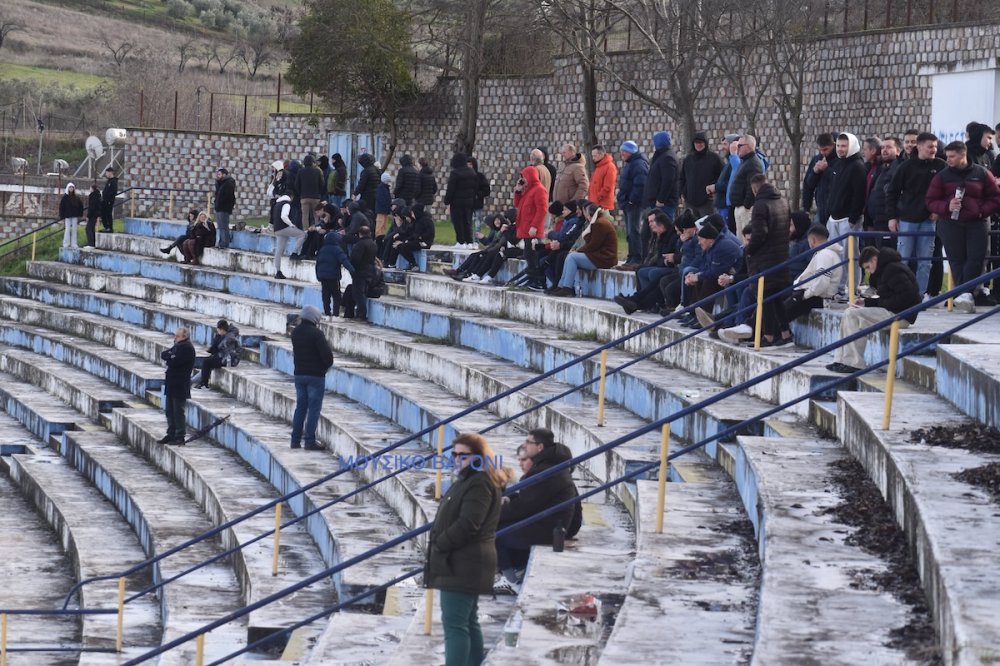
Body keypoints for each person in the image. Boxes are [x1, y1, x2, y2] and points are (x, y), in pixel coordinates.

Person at [425, 432, 511, 666]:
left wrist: (441, 543)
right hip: (463, 562)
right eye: (454, 454)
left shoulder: (480, 483)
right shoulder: (469, 480)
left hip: (464, 563)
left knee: (455, 625)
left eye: (463, 455)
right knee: (468, 621)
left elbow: (469, 523)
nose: (457, 459)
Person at [494, 428, 581, 594]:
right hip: (551, 523)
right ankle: (517, 569)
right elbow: (529, 498)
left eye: (528, 442)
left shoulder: (546, 470)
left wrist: (493, 513)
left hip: (552, 528)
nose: (525, 445)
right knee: (502, 522)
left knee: (495, 531)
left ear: (540, 447)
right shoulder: (548, 464)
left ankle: (511, 581)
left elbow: (524, 506)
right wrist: (508, 500)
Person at [925, 140, 1000, 313]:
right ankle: (966, 294)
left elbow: (995, 198)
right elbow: (930, 201)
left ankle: (964, 293)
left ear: (963, 155)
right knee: (956, 260)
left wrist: (981, 212)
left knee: (977, 258)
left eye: (952, 156)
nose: (948, 159)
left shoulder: (982, 173)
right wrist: (946, 206)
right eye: (947, 156)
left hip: (977, 223)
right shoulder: (942, 176)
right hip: (950, 223)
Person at [826, 246, 920, 373]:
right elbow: (891, 298)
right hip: (894, 312)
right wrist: (866, 302)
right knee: (852, 315)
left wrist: (878, 303)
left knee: (852, 315)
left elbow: (907, 296)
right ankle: (842, 360)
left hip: (901, 316)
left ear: (875, 259)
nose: (869, 271)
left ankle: (853, 363)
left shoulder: (893, 270)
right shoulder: (887, 269)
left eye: (868, 267)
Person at [885, 132, 945, 297]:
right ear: (919, 147)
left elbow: (949, 191)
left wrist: (939, 210)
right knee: (903, 260)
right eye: (930, 146)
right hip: (907, 220)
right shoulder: (905, 167)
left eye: (935, 146)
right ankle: (902, 293)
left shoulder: (941, 166)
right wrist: (891, 217)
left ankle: (920, 294)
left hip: (929, 220)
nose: (933, 149)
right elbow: (892, 192)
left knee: (925, 262)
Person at [743, 174, 792, 346]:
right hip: (781, 257)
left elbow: (759, 233)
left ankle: (769, 336)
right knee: (775, 298)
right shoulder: (783, 201)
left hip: (765, 260)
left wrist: (749, 250)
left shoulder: (760, 205)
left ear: (755, 189)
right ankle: (786, 334)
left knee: (765, 298)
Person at [548, 204, 618, 297]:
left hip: (605, 258)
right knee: (570, 256)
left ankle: (567, 288)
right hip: (599, 256)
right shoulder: (597, 222)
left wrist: (578, 251)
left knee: (572, 257)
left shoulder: (600, 224)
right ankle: (561, 286)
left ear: (589, 214)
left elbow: (593, 245)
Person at [290, 305, 333, 450]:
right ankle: (309, 441)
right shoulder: (317, 334)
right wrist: (323, 368)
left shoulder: (295, 332)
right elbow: (328, 357)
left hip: (299, 375)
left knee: (300, 407)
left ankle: (295, 441)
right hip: (315, 376)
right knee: (313, 409)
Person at [782, 224, 843, 321]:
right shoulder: (827, 253)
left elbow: (822, 282)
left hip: (817, 298)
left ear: (813, 240)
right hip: (815, 296)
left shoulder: (824, 255)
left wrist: (804, 295)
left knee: (779, 314)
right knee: (777, 307)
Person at [158, 327, 196, 445]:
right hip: (171, 383)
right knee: (169, 410)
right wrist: (171, 356)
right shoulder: (177, 347)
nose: (175, 338)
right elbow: (164, 354)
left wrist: (171, 357)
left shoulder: (187, 348)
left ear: (184, 337)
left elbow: (174, 361)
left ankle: (180, 436)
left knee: (178, 411)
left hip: (180, 384)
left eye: (177, 336)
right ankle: (171, 433)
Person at [513, 165, 547, 288]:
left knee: (532, 254)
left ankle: (537, 280)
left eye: (525, 177)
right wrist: (518, 191)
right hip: (525, 227)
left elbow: (542, 209)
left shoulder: (539, 190)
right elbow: (517, 204)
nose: (524, 180)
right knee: (528, 254)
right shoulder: (527, 190)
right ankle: (533, 279)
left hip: (532, 229)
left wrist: (535, 226)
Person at [616, 140, 649, 266]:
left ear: (631, 151)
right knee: (630, 232)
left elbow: (640, 185)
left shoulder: (638, 164)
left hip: (634, 204)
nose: (622, 153)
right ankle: (631, 256)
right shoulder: (631, 163)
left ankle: (636, 258)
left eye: (624, 151)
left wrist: (631, 200)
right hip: (628, 203)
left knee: (633, 231)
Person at [728, 134, 764, 238]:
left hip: (745, 209)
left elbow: (752, 186)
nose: (737, 148)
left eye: (740, 145)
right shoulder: (745, 161)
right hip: (739, 206)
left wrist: (746, 206)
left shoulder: (753, 163)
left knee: (745, 238)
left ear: (748, 146)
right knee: (740, 238)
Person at [680, 131, 723, 218]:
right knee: (690, 227)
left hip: (707, 201)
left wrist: (715, 189)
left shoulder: (714, 158)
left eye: (701, 142)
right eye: (696, 143)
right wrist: (683, 192)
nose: (698, 145)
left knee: (707, 227)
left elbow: (722, 177)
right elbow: (682, 178)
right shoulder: (688, 159)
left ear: (705, 143)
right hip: (690, 201)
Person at [315, 225, 354, 317]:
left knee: (325, 295)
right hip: (333, 277)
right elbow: (344, 261)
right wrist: (352, 271)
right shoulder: (337, 250)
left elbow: (318, 264)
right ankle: (335, 313)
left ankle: (327, 312)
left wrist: (318, 276)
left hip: (323, 277)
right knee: (336, 296)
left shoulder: (322, 249)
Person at [192, 319, 241, 389]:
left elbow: (220, 347)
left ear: (222, 329)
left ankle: (204, 382)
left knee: (207, 362)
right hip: (225, 357)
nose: (217, 332)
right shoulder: (225, 335)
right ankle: (200, 381)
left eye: (218, 330)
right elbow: (217, 348)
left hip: (229, 360)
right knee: (207, 361)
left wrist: (217, 339)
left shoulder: (229, 337)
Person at [444, 153, 478, 248]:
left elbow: (451, 189)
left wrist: (447, 201)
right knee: (467, 221)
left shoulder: (455, 173)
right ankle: (469, 242)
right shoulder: (472, 172)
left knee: (458, 222)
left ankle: (461, 241)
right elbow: (475, 188)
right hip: (469, 202)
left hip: (457, 202)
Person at [270, 193, 304, 279]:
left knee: (279, 251)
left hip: (277, 229)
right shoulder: (286, 204)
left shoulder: (277, 204)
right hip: (284, 228)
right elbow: (284, 216)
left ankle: (278, 271)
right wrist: (291, 225)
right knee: (302, 234)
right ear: (291, 197)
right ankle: (294, 253)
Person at [348, 226, 378, 322]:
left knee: (359, 294)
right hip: (370, 272)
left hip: (360, 273)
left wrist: (352, 269)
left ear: (360, 234)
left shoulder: (359, 244)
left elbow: (355, 259)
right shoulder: (373, 244)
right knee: (363, 293)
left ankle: (361, 315)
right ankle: (361, 314)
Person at [297, 154, 326, 229]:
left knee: (305, 216)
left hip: (304, 197)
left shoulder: (300, 171)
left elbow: (296, 184)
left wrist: (300, 193)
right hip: (315, 197)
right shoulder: (317, 171)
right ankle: (317, 229)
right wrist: (319, 193)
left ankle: (306, 231)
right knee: (316, 214)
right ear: (312, 162)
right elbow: (322, 184)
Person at [588, 144, 618, 211]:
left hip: (603, 205)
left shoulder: (609, 167)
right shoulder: (599, 167)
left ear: (601, 154)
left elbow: (607, 187)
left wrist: (597, 197)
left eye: (594, 156)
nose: (593, 158)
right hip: (595, 203)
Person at [213, 167, 236, 249]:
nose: (218, 176)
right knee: (220, 226)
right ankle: (221, 242)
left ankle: (224, 244)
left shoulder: (228, 183)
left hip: (224, 208)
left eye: (219, 174)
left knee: (223, 227)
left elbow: (228, 197)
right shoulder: (221, 183)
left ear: (224, 174)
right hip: (219, 207)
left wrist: (220, 202)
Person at [59, 183, 84, 249]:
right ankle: (66, 243)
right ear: (68, 188)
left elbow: (80, 206)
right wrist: (62, 215)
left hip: (74, 215)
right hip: (67, 215)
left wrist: (80, 214)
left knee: (74, 229)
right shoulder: (65, 197)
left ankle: (74, 243)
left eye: (72, 188)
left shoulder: (76, 197)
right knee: (67, 229)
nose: (71, 189)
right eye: (70, 188)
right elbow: (62, 207)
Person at [100, 167, 117, 232]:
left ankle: (109, 227)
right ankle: (106, 226)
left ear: (110, 172)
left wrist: (109, 199)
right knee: (103, 213)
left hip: (109, 201)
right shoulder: (108, 181)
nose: (106, 174)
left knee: (108, 214)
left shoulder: (113, 181)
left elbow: (113, 192)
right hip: (104, 200)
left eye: (107, 173)